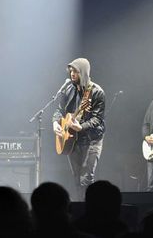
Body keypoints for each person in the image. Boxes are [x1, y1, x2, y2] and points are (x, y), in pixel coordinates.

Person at [53, 58, 105, 200]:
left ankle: (90, 210)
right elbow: (59, 110)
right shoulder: (68, 88)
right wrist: (55, 123)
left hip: (91, 139)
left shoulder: (97, 92)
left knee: (86, 178)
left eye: (75, 71)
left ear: (83, 72)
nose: (72, 74)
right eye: (71, 71)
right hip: (72, 139)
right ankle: (79, 208)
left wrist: (81, 127)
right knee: (77, 178)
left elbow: (97, 119)